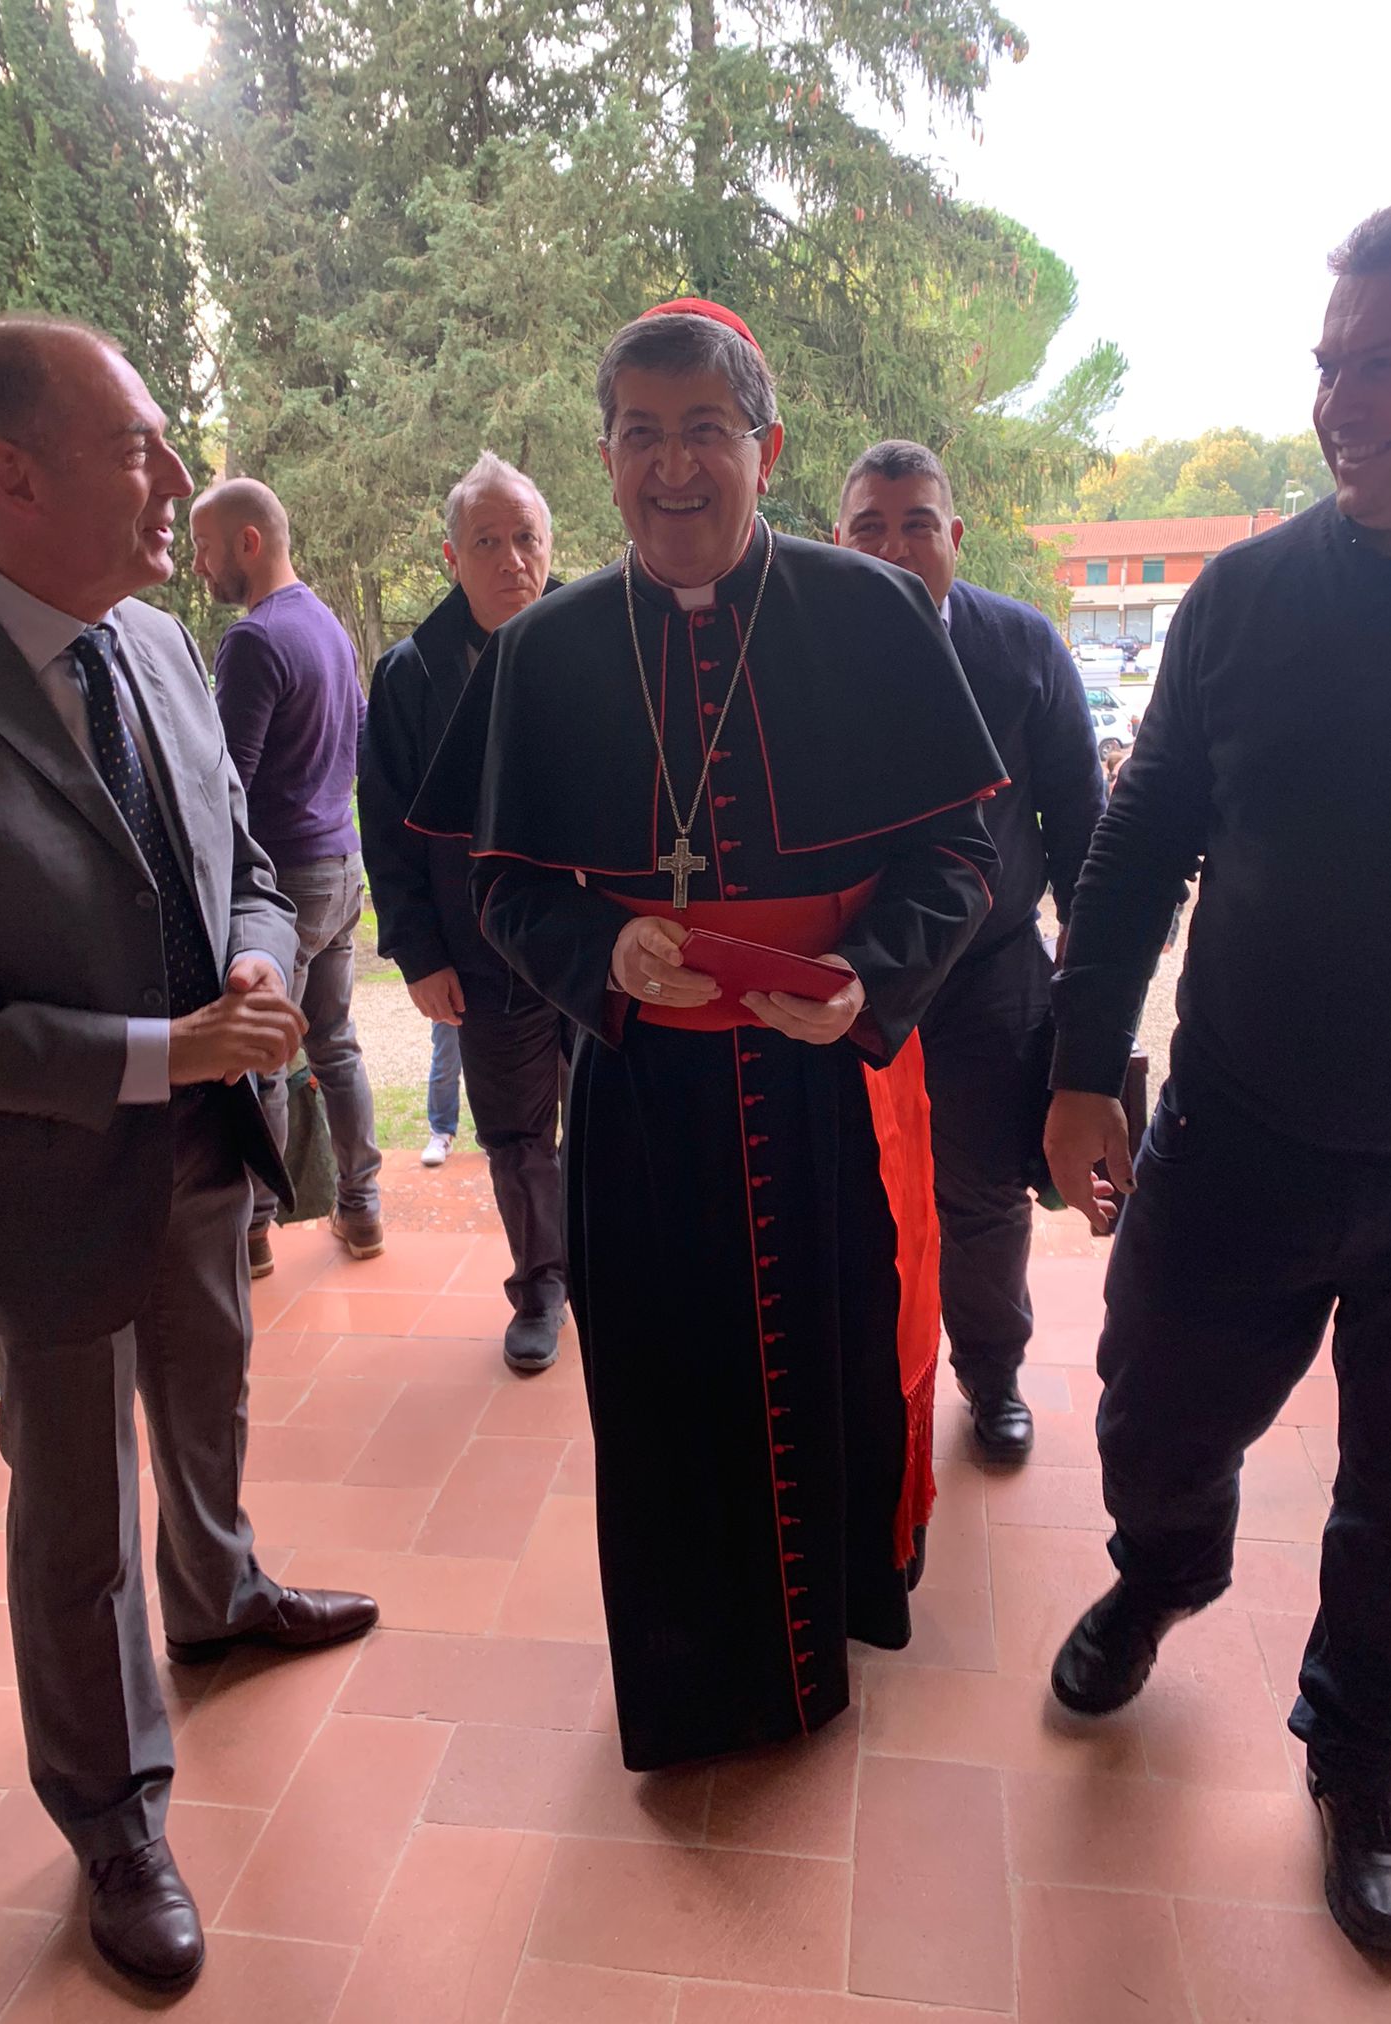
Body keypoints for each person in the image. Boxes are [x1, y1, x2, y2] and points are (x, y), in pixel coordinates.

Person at [410, 301, 1004, 1771]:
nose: (673, 467)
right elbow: (501, 883)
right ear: (605, 456)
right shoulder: (545, 651)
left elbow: (961, 855)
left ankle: (835, 1625)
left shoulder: (868, 615)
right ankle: (695, 1689)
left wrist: (872, 976)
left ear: (767, 447)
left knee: (837, 1366)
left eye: (706, 432)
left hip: (820, 1091)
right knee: (667, 1400)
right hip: (647, 1101)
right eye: (640, 434)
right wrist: (601, 956)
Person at [0, 316, 377, 1991]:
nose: (178, 482)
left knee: (214, 1386)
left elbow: (241, 858)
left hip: (209, 1148)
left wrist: (249, 958)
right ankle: (112, 1810)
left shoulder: (161, 645)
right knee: (74, 1518)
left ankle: (224, 1588)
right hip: (40, 1187)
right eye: (136, 450)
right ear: (9, 475)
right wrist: (151, 1053)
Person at [1043, 193, 1391, 1956]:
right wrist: (1083, 1065)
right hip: (1242, 1133)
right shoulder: (1254, 597)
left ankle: (1360, 1757)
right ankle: (1165, 1570)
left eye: (1380, 363)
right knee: (1153, 1414)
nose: (1338, 400)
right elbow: (1136, 849)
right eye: (1325, 363)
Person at [836, 442, 1104, 1460]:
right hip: (851, 971)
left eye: (915, 524)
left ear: (954, 534)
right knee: (857, 1186)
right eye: (870, 527)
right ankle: (870, 1374)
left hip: (990, 966)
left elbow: (1083, 821)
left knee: (985, 1189)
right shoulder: (807, 652)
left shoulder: (1024, 647)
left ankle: (991, 1374)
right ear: (839, 540)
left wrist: (1090, 978)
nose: (895, 547)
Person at [361, 452, 569, 1368]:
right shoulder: (410, 677)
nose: (512, 559)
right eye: (488, 541)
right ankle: (543, 1286)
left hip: (607, 944)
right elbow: (389, 829)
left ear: (551, 545)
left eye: (526, 538)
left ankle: (620, 1267)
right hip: (486, 956)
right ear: (452, 556)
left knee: (618, 1117)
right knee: (519, 1134)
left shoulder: (604, 640)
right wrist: (417, 954)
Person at [190, 478, 384, 1275]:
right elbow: (365, 741)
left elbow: (225, 782)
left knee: (265, 1054)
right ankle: (362, 1212)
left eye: (204, 548)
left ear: (249, 541)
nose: (197, 566)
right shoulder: (329, 628)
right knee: (335, 1045)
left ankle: (255, 1229)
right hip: (342, 867)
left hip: (283, 882)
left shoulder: (256, 638)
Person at [422, 1020, 461, 1165]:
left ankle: (492, 1138)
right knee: (445, 1063)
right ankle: (441, 1134)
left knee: (490, 1063)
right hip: (449, 999)